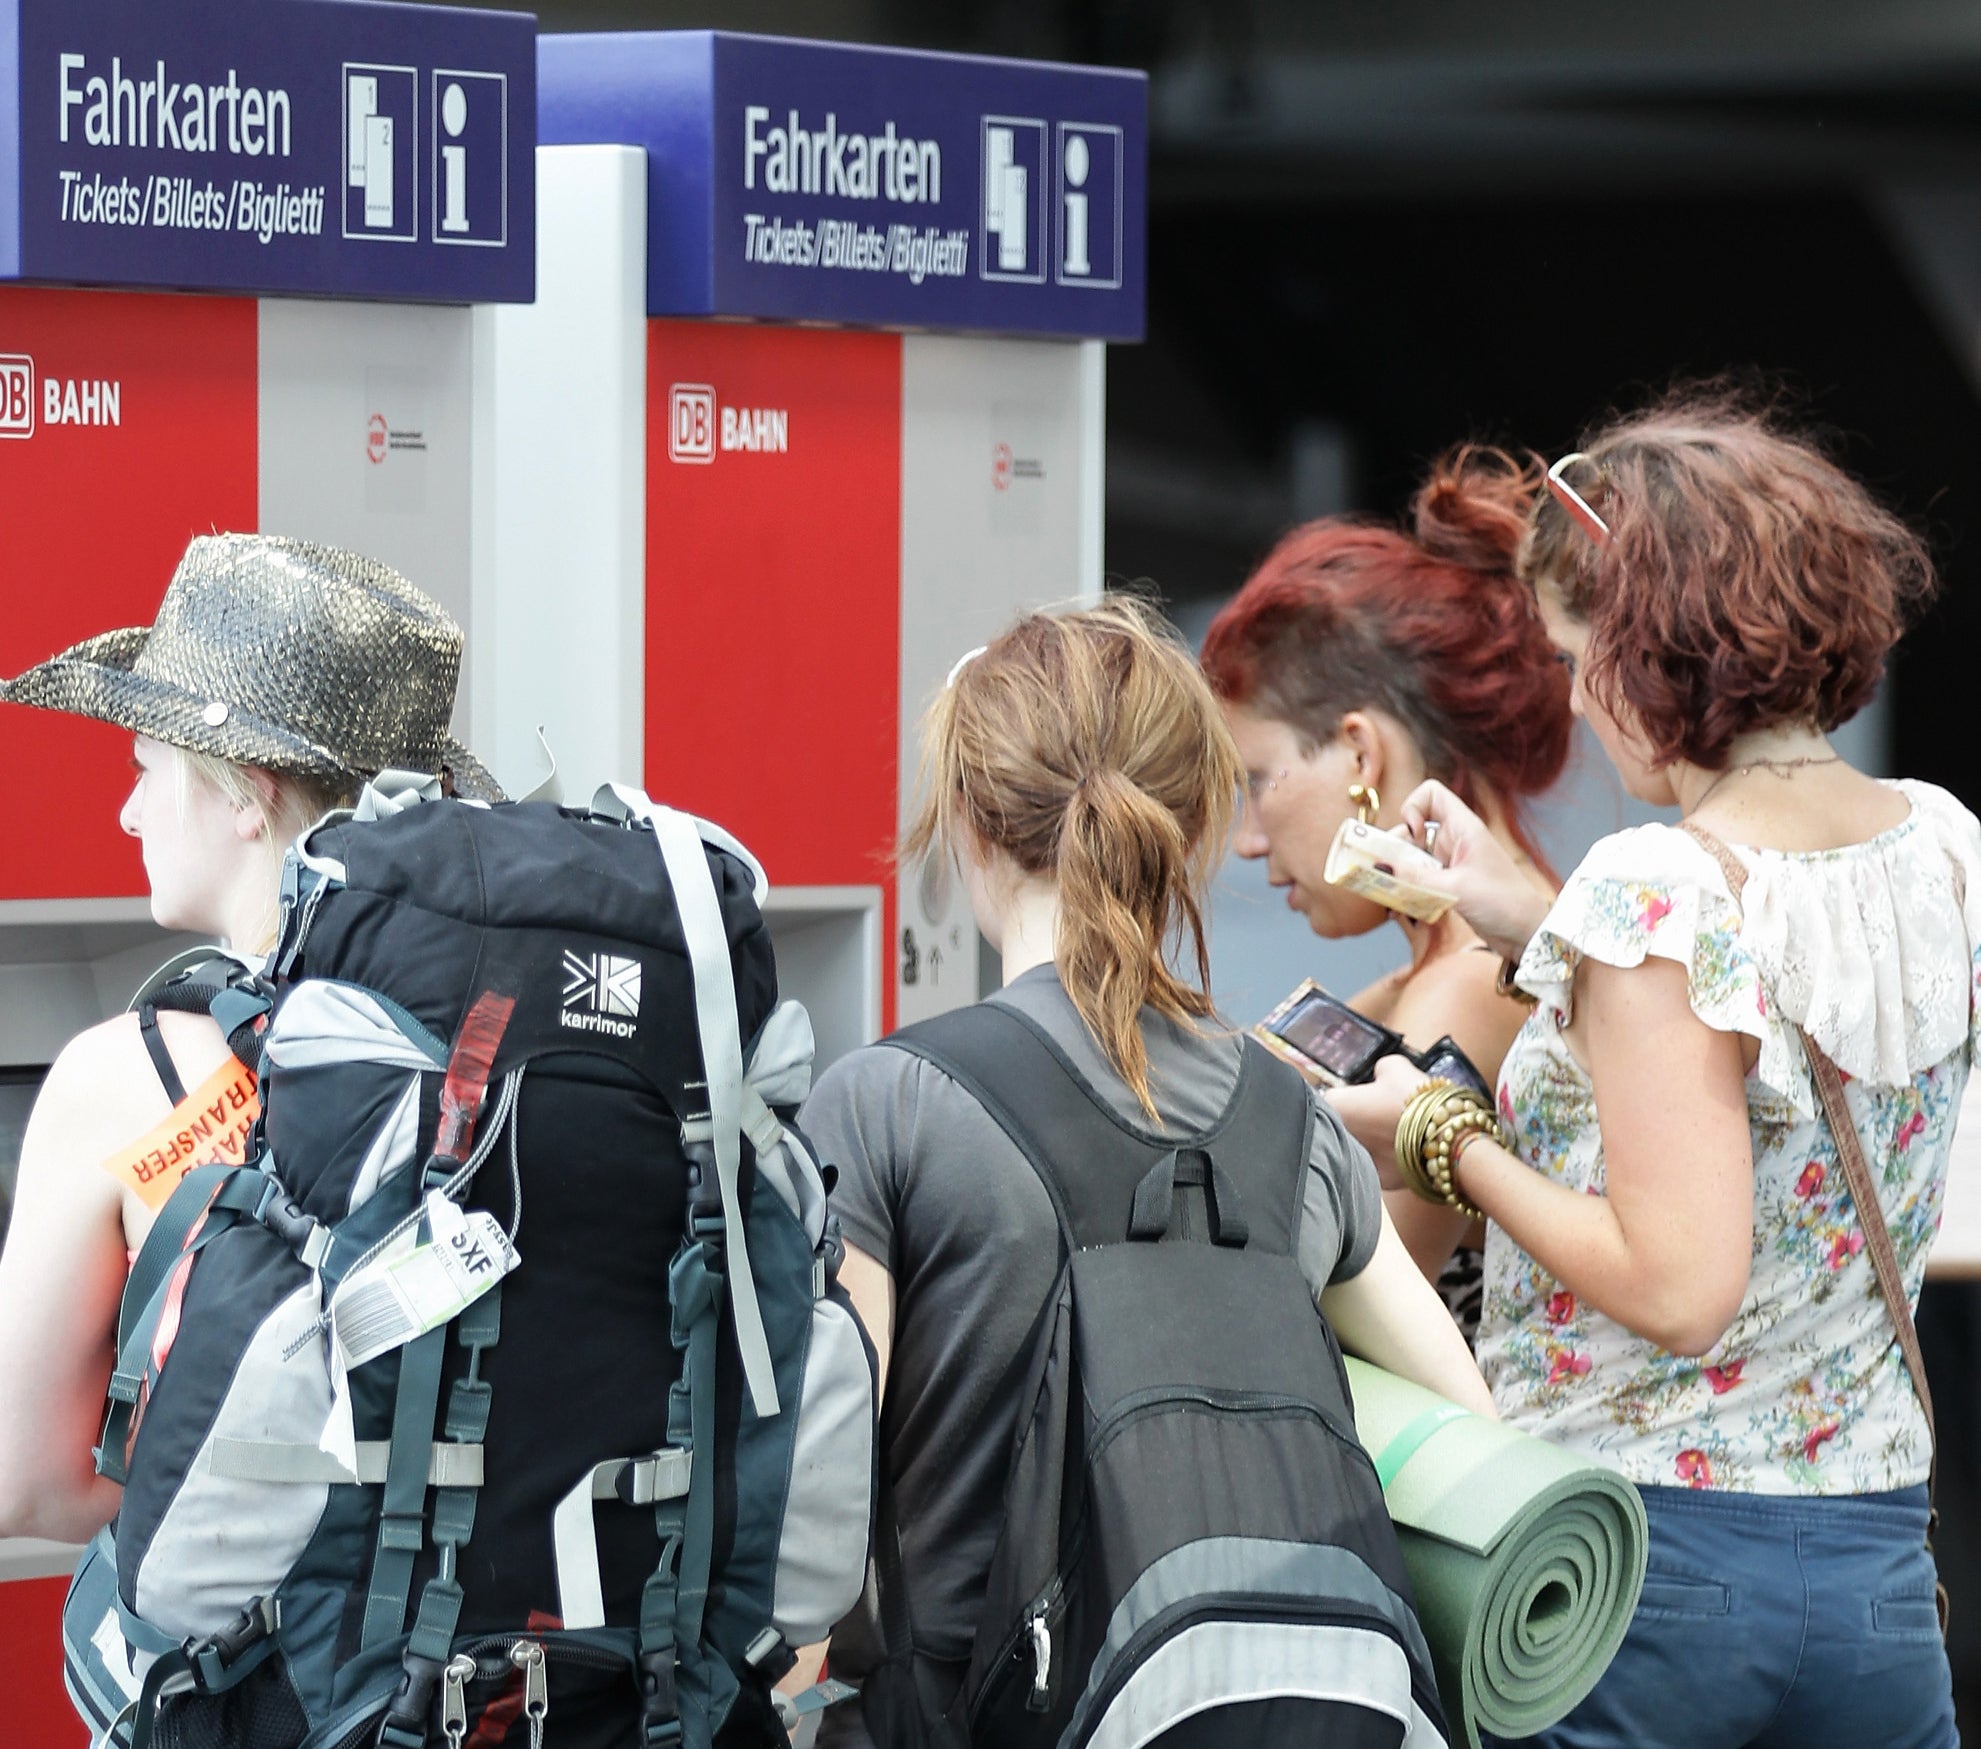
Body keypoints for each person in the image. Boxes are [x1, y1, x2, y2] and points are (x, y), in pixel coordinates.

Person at [1326, 390, 1973, 1747]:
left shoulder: (1656, 889)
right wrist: (1527, 916)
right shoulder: (1941, 845)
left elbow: (1680, 1287)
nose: (1573, 692)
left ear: (1653, 649)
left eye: (1577, 653)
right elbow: (1780, 998)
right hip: (1870, 1570)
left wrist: (1447, 1137)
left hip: (1641, 1576)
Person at [800, 597, 1494, 1748]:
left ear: (971, 827)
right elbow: (1465, 1440)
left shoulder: (888, 1103)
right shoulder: (1291, 1119)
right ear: (1187, 832)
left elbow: (814, 1524)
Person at [0, 533, 502, 1545]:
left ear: (247, 791)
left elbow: (18, 1488)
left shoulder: (125, 1078)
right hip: (530, 1677)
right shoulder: (506, 1036)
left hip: (264, 1688)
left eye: (144, 768)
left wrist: (246, 1504)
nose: (127, 814)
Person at [1203, 447, 1574, 1338]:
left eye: (1258, 779)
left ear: (1362, 755)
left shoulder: (1474, 984)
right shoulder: (1459, 971)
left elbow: (1326, 1313)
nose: (1247, 841)